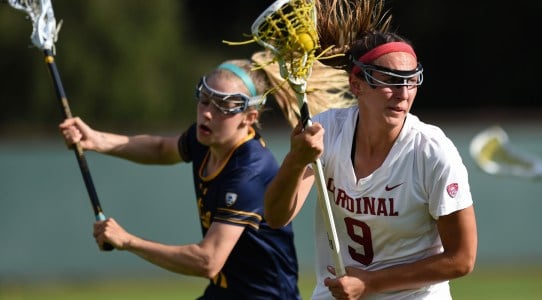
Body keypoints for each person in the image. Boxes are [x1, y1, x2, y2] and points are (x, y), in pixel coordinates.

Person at [59, 57, 301, 299]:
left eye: (222, 107)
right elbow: (161, 149)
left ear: (249, 117)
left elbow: (207, 261)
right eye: (204, 101)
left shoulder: (249, 172)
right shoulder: (206, 140)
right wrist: (95, 140)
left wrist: (128, 241)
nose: (206, 113)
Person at [263, 30, 478, 300]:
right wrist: (296, 160)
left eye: (411, 81)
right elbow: (276, 217)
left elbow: (461, 259)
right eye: (390, 81)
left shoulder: (432, 152)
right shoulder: (327, 130)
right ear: (356, 85)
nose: (403, 94)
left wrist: (370, 283)